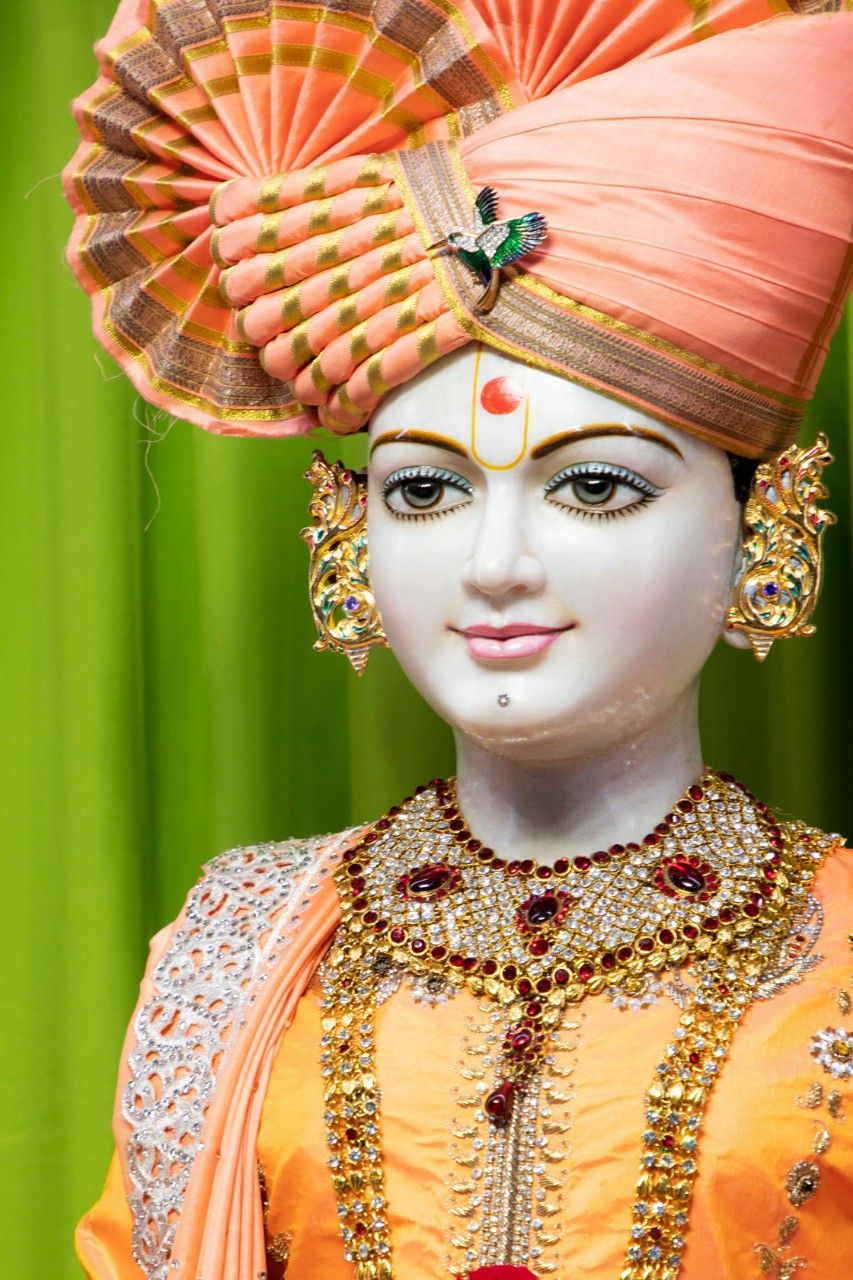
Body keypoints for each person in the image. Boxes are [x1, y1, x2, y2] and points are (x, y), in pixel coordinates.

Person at [63, 2, 853, 1278]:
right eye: (426, 489)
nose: (494, 562)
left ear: (762, 525)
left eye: (594, 484)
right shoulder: (234, 948)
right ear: (348, 535)